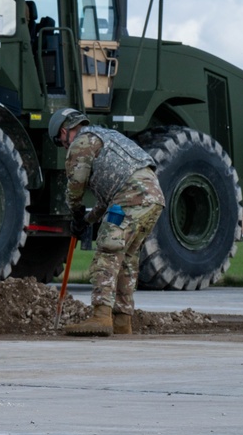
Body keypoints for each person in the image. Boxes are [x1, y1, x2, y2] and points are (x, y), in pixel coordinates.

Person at [48, 108, 165, 336]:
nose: (64, 147)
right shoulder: (106, 137)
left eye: (61, 142)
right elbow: (106, 199)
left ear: (64, 132)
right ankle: (122, 321)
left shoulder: (82, 143)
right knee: (127, 257)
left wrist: (75, 213)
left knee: (107, 250)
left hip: (131, 196)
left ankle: (101, 316)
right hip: (153, 197)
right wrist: (88, 219)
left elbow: (76, 185)